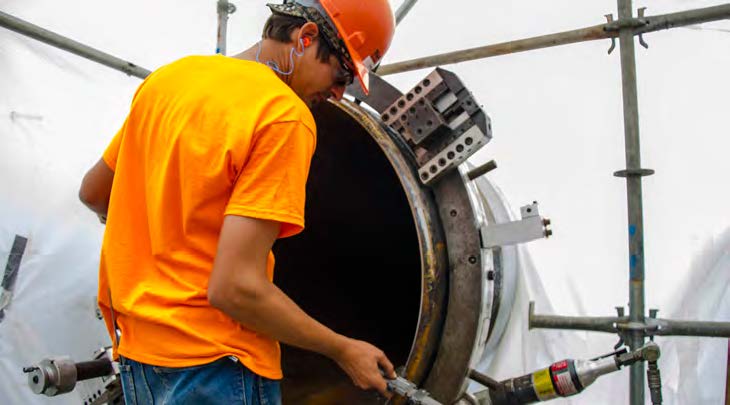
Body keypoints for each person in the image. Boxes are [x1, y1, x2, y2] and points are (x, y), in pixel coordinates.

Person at [78, 1, 396, 403]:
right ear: (306, 38)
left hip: (142, 359)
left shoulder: (170, 80)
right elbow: (235, 288)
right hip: (218, 366)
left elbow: (94, 191)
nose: (338, 92)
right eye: (342, 73)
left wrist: (161, 225)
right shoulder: (283, 116)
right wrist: (343, 349)